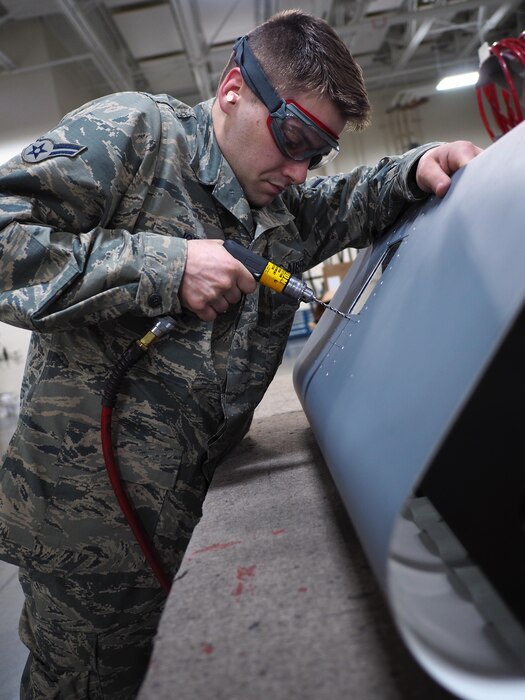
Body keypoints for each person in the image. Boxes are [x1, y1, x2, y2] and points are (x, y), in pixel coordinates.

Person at [0, 8, 482, 699]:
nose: (296, 168)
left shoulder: (280, 210)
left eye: (315, 153)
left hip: (197, 520)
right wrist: (164, 268)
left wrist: (417, 166)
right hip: (91, 542)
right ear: (233, 92)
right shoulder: (134, 134)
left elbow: (347, 200)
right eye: (291, 137)